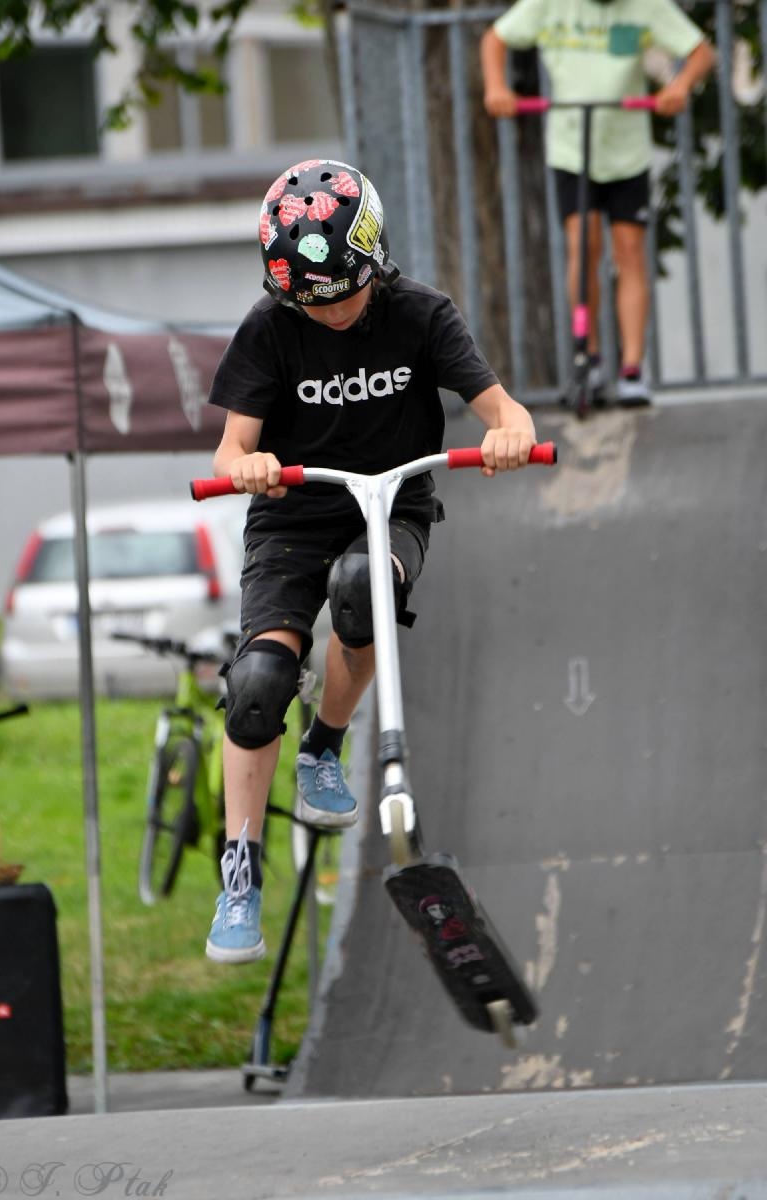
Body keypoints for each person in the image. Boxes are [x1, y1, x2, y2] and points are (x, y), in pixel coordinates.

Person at [204, 158, 539, 963]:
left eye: (342, 297)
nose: (327, 314)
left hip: (390, 508)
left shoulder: (421, 315)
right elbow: (230, 448)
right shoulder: (269, 328)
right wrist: (248, 464)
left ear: (373, 259)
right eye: (309, 303)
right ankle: (240, 872)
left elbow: (506, 410)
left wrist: (510, 435)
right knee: (257, 684)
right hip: (292, 514)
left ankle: (324, 745)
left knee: (362, 589)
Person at [480, 0, 716, 406]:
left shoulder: (645, 7)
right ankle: (587, 358)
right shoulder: (549, 5)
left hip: (627, 152)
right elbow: (495, 39)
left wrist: (679, 86)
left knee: (629, 251)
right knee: (583, 245)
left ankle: (632, 369)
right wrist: (496, 87)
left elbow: (700, 52)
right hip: (571, 150)